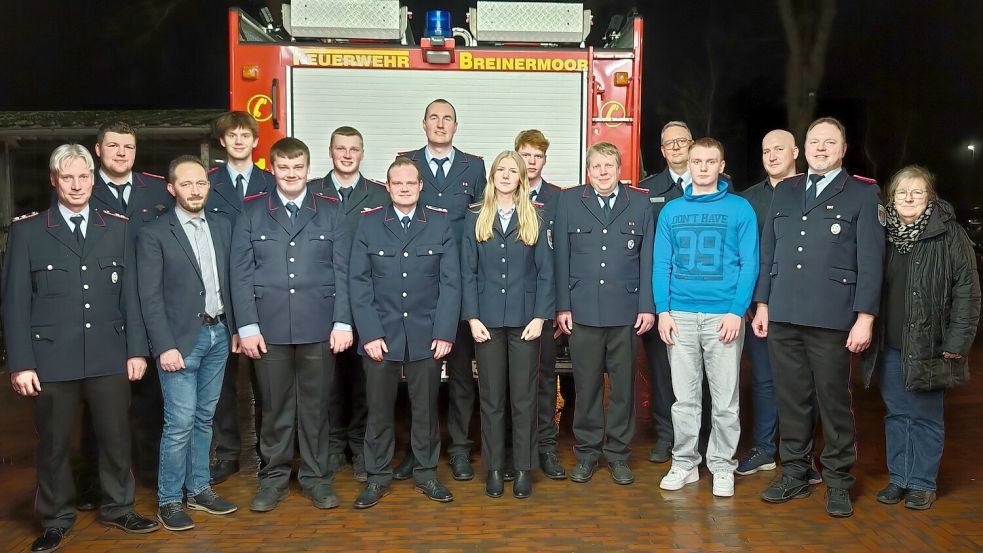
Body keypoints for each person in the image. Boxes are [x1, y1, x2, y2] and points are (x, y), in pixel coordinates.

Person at [3, 144, 158, 552]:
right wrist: (21, 363)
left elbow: (132, 298)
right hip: (52, 357)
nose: (76, 185)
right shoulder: (28, 231)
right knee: (53, 444)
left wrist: (137, 350)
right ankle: (55, 518)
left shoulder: (119, 228)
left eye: (83, 176)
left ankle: (119, 507)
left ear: (93, 179)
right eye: (67, 177)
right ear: (54, 180)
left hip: (110, 353)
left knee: (116, 437)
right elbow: (15, 303)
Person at [754, 117, 886, 517]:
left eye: (830, 143)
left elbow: (871, 261)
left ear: (844, 149)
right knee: (791, 398)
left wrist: (865, 317)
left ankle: (839, 480)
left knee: (832, 400)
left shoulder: (862, 193)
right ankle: (795, 472)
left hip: (832, 317)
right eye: (815, 142)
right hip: (784, 313)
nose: (821, 148)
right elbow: (769, 252)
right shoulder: (787, 190)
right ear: (804, 148)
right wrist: (762, 304)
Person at [230, 137, 353, 512]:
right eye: (284, 168)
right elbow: (239, 273)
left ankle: (316, 479)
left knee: (316, 409)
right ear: (273, 169)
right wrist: (247, 326)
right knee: (274, 408)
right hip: (269, 330)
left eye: (298, 167)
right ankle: (273, 480)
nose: (291, 174)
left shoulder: (331, 211)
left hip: (319, 326)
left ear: (308, 169)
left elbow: (344, 271)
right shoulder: (251, 212)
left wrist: (343, 321)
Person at [862, 165, 980, 510]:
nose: (909, 198)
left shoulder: (950, 235)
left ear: (931, 196)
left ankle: (922, 482)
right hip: (890, 345)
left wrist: (958, 342)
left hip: (932, 344)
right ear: (891, 199)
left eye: (917, 191)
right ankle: (899, 478)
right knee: (897, 413)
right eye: (901, 192)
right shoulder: (883, 237)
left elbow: (968, 293)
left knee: (926, 415)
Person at [349, 157, 461, 508]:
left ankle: (427, 474)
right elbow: (358, 282)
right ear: (388, 186)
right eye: (397, 183)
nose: (404, 188)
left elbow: (451, 283)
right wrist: (369, 334)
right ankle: (377, 477)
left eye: (410, 183)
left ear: (420, 185)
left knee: (426, 409)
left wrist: (444, 332)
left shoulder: (439, 224)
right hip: (380, 334)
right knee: (378, 410)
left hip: (427, 334)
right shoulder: (368, 225)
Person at [137, 155, 240, 531]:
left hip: (218, 334)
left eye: (200, 183)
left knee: (204, 417)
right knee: (179, 421)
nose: (195, 190)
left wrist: (235, 329)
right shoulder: (154, 233)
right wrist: (163, 345)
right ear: (171, 188)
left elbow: (231, 282)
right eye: (186, 184)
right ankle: (168, 500)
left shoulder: (222, 225)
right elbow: (149, 296)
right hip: (180, 340)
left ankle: (199, 489)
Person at [652, 138, 759, 497]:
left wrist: (735, 311)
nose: (702, 167)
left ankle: (722, 466)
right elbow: (661, 264)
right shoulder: (671, 212)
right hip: (679, 315)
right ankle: (684, 463)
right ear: (689, 165)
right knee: (684, 398)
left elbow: (750, 265)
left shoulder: (741, 209)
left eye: (709, 161)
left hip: (722, 318)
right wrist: (662, 311)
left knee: (725, 399)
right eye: (696, 161)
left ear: (721, 165)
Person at [81, 121, 176, 494]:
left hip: (151, 305)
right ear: (98, 149)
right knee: (96, 403)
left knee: (151, 398)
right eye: (114, 146)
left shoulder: (155, 188)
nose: (121, 153)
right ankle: (93, 482)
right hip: (102, 308)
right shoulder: (82, 186)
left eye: (128, 147)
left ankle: (150, 475)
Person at [395, 99, 486, 481]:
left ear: (456, 125)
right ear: (423, 123)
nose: (440, 124)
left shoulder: (475, 167)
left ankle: (461, 449)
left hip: (459, 286)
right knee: (417, 380)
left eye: (447, 118)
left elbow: (484, 222)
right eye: (434, 117)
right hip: (414, 291)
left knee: (463, 375)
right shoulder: (406, 163)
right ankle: (417, 452)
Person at [554, 142, 655, 485]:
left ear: (619, 168)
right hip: (582, 311)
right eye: (596, 166)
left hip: (625, 312)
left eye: (608, 166)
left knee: (623, 389)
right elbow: (561, 258)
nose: (602, 172)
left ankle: (618, 455)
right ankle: (586, 454)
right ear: (588, 171)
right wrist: (562, 305)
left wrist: (646, 307)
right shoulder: (569, 201)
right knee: (586, 388)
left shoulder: (639, 202)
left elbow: (647, 259)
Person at [462, 151, 555, 499]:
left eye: (511, 170)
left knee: (523, 398)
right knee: (491, 398)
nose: (505, 175)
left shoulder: (536, 216)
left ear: (521, 178)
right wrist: (471, 318)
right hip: (486, 322)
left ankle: (522, 468)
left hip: (525, 322)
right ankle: (495, 468)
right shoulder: (475, 217)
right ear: (492, 176)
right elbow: (466, 272)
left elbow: (546, 273)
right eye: (500, 170)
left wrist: (539, 317)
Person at [308, 126, 389, 481]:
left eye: (353, 149)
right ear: (330, 151)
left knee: (362, 380)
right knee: (324, 380)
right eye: (340, 148)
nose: (347, 154)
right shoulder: (312, 191)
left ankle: (359, 445)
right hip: (320, 301)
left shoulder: (380, 194)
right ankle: (332, 446)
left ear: (362, 153)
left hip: (365, 300)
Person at [206, 111, 276, 486]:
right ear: (223, 141)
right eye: (231, 135)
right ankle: (228, 454)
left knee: (267, 384)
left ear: (254, 141)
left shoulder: (270, 180)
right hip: (219, 292)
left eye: (244, 135)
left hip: (264, 293)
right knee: (222, 384)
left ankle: (269, 454)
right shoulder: (209, 182)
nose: (238, 141)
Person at [735, 129, 798, 476]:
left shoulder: (811, 194)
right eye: (766, 150)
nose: (772, 156)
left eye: (779, 149)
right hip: (760, 306)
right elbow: (742, 257)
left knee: (802, 382)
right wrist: (751, 301)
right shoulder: (748, 201)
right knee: (763, 380)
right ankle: (763, 448)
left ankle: (799, 455)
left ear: (795, 152)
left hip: (802, 306)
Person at [637, 121, 694, 464]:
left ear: (692, 144)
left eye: (681, 141)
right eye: (668, 143)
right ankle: (666, 435)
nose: (675, 148)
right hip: (664, 299)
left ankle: (696, 436)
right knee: (662, 372)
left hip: (701, 298)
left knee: (698, 373)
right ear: (661, 150)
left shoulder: (718, 186)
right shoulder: (648, 190)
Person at [515, 129, 567, 480]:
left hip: (543, 308)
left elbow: (562, 257)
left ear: (544, 161)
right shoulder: (501, 193)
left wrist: (557, 308)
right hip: (508, 307)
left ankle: (546, 447)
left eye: (537, 156)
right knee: (512, 384)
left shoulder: (559, 199)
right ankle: (514, 448)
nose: (531, 162)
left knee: (546, 378)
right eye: (526, 155)